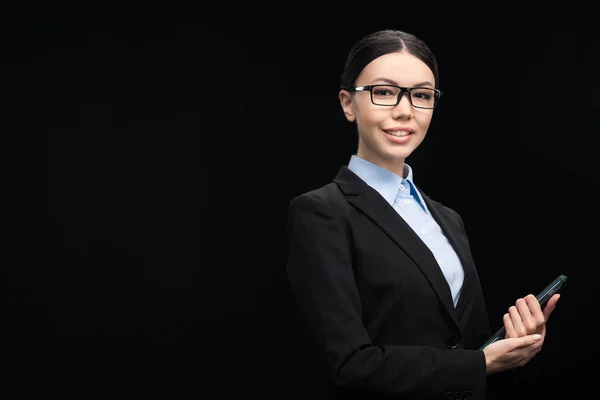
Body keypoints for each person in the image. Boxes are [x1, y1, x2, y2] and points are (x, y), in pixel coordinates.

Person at [284, 29, 561, 400]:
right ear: (348, 104)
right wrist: (480, 364)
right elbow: (348, 366)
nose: (404, 110)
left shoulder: (448, 219)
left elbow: (470, 348)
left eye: (421, 95)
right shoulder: (321, 213)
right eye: (383, 92)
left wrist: (514, 349)